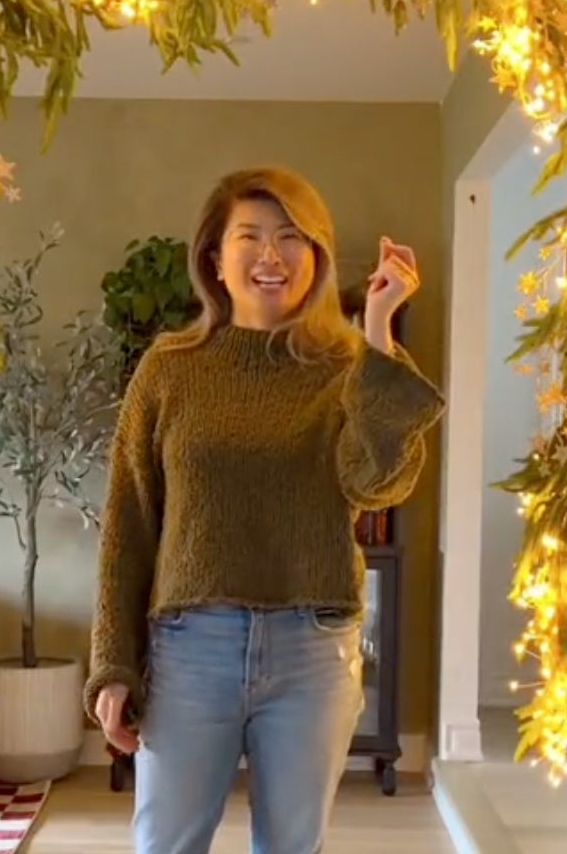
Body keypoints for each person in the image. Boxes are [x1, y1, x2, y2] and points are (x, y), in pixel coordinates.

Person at [86, 167, 446, 854]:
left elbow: (378, 484)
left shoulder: (349, 367)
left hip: (312, 651)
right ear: (214, 259)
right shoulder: (169, 368)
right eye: (249, 236)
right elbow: (128, 523)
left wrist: (377, 332)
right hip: (191, 651)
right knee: (165, 845)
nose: (271, 255)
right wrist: (113, 662)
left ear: (316, 258)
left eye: (292, 237)